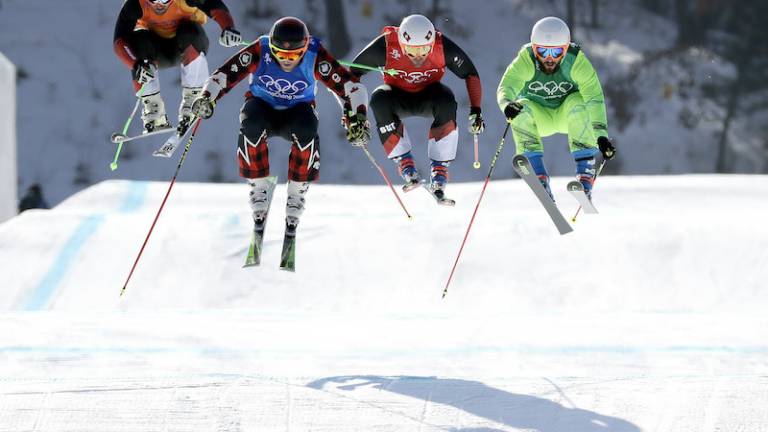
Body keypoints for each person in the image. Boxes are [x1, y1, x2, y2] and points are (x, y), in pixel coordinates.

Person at [189, 17, 370, 234]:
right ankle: (258, 187)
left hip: (298, 110)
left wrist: (357, 118)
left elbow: (351, 88)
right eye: (281, 54)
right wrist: (207, 98)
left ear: (304, 48)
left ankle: (297, 192)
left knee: (307, 129)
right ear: (272, 47)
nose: (287, 60)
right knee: (250, 123)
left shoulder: (315, 55)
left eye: (294, 55)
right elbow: (224, 75)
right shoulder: (260, 49)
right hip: (262, 106)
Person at [348, 14, 485, 198]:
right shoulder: (386, 46)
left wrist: (476, 111)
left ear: (432, 41)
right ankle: (405, 163)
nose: (418, 56)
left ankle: (440, 169)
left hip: (430, 96)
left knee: (447, 99)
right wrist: (354, 114)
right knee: (379, 98)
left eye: (424, 50)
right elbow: (351, 74)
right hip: (396, 97)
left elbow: (470, 74)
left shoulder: (442, 46)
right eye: (411, 51)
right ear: (401, 43)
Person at [497, 16, 616, 200]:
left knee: (578, 101)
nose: (550, 58)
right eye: (543, 51)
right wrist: (507, 105)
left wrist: (601, 135)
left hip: (568, 116)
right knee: (521, 107)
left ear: (566, 48)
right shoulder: (526, 59)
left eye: (557, 51)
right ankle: (539, 175)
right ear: (535, 48)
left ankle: (585, 175)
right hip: (538, 117)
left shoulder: (575, 60)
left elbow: (594, 97)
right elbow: (507, 87)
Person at [113, 0, 242, 134]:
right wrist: (135, 64)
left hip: (188, 46)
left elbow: (216, 7)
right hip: (155, 53)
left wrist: (228, 28)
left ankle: (193, 101)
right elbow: (119, 41)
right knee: (139, 38)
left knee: (189, 30)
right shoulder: (136, 4)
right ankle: (153, 107)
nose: (159, 5)